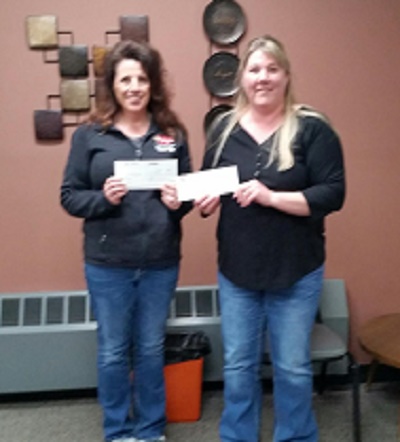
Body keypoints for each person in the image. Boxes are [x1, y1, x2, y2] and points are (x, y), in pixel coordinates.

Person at [196, 35, 345, 442]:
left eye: (271, 69)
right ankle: (237, 436)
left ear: (286, 76)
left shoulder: (313, 128)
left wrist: (271, 196)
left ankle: (295, 436)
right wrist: (205, 202)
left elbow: (333, 194)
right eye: (255, 69)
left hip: (296, 271)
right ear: (243, 77)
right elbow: (209, 188)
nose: (263, 77)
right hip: (237, 272)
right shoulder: (224, 129)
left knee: (292, 368)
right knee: (238, 366)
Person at [60, 40, 192, 442]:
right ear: (112, 86)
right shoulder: (90, 135)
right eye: (125, 80)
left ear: (153, 84)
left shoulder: (172, 135)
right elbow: (69, 196)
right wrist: (104, 199)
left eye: (141, 79)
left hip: (160, 262)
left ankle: (150, 430)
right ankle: (118, 431)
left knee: (151, 348)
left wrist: (179, 203)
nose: (134, 87)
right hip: (108, 264)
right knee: (114, 351)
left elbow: (186, 195)